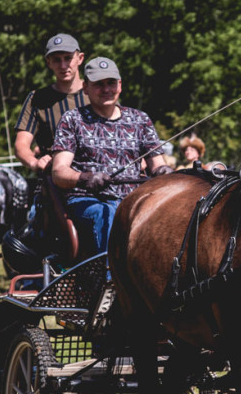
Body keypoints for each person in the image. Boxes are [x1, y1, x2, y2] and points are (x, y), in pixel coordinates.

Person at [51, 57, 169, 255]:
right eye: (99, 84)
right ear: (86, 88)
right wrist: (85, 178)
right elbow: (59, 172)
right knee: (109, 213)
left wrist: (164, 171)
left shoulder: (140, 119)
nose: (106, 89)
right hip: (88, 201)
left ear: (120, 85)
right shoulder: (72, 119)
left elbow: (158, 165)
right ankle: (110, 281)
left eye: (111, 83)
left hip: (135, 200)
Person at [14, 33, 88, 173]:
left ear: (80, 58)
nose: (63, 65)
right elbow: (21, 145)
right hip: (54, 178)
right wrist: (35, 163)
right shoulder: (37, 98)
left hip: (98, 173)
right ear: (49, 62)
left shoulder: (99, 93)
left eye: (68, 58)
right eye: (56, 60)